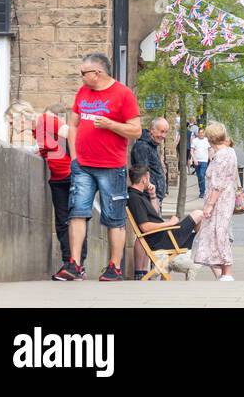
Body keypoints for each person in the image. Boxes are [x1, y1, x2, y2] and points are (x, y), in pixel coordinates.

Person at [55, 53, 142, 282]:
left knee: (114, 218)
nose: (81, 76)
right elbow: (73, 124)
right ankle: (74, 265)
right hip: (83, 165)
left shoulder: (124, 95)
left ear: (98, 73)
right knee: (77, 212)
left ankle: (114, 267)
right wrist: (74, 157)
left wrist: (111, 124)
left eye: (84, 72)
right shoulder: (83, 92)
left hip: (111, 166)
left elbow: (136, 130)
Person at [126, 166, 201, 279]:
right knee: (199, 214)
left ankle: (192, 258)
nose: (150, 181)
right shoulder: (135, 198)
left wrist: (152, 195)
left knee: (199, 237)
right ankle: (196, 259)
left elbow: (155, 214)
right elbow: (145, 227)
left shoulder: (140, 195)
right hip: (163, 239)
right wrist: (169, 223)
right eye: (149, 178)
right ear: (144, 179)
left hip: (164, 236)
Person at [35, 102, 84, 269]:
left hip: (69, 176)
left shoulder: (49, 123)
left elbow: (70, 134)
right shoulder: (46, 133)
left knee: (73, 220)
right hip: (59, 179)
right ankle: (70, 262)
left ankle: (75, 263)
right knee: (66, 221)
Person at [192, 121, 238, 281]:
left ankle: (227, 271)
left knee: (220, 232)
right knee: (219, 232)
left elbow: (217, 185)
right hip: (227, 198)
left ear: (210, 139)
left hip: (220, 201)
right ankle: (223, 271)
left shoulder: (221, 156)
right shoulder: (230, 152)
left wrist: (210, 205)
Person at [131, 117, 169, 206]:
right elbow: (142, 174)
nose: (163, 136)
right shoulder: (142, 146)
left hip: (155, 197)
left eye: (166, 132)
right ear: (152, 130)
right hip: (148, 198)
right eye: (161, 131)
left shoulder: (152, 145)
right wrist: (152, 195)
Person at [191, 127, 210, 199]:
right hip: (197, 161)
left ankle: (203, 192)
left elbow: (209, 150)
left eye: (202, 133)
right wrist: (194, 159)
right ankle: (201, 191)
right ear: (198, 133)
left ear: (204, 133)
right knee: (199, 177)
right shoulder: (195, 141)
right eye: (200, 133)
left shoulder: (207, 140)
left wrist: (210, 158)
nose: (201, 134)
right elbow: (192, 151)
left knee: (202, 175)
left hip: (204, 161)